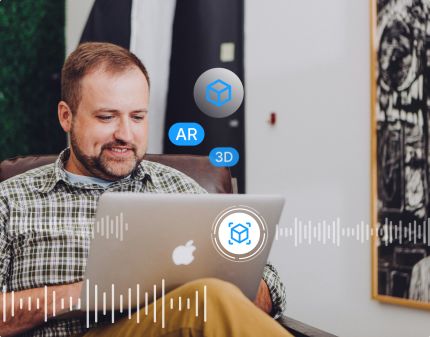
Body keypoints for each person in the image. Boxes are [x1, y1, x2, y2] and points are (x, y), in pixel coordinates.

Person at [0, 42, 291, 337]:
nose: (125, 134)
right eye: (106, 117)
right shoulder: (11, 200)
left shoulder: (177, 188)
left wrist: (193, 287)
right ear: (66, 116)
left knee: (208, 298)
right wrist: (86, 293)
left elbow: (269, 282)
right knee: (208, 300)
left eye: (137, 117)